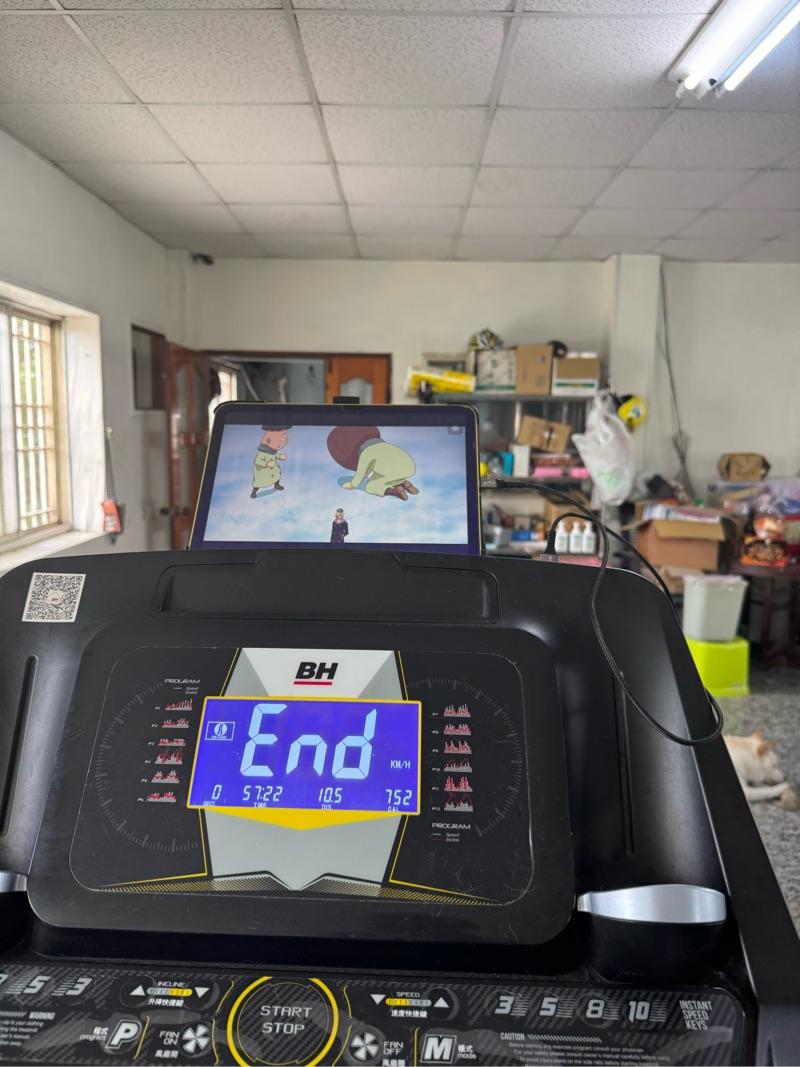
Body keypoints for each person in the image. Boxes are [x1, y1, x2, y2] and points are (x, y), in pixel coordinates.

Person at [326, 425, 418, 501]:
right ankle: (403, 482)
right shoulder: (386, 446)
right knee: (379, 476)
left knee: (370, 486)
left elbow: (361, 473)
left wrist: (353, 484)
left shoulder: (366, 453)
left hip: (393, 472)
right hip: (409, 467)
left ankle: (395, 491)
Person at [251, 426, 289, 498]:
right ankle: (254, 492)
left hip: (273, 470)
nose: (284, 441)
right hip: (263, 472)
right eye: (281, 440)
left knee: (277, 476)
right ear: (267, 441)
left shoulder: (272, 451)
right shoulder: (262, 453)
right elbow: (258, 462)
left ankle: (277, 485)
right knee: (258, 482)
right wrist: (266, 464)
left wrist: (280, 456)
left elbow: (273, 456)